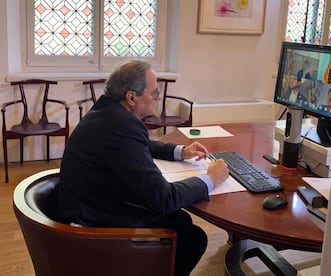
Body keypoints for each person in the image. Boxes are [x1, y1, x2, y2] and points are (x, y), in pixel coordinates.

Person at [53, 60, 229, 276]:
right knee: (193, 238)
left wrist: (179, 151)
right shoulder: (122, 125)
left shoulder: (106, 111)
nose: (158, 97)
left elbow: (137, 144)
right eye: (154, 92)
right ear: (131, 97)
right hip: (97, 224)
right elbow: (163, 198)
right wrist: (211, 179)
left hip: (87, 205)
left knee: (180, 219)